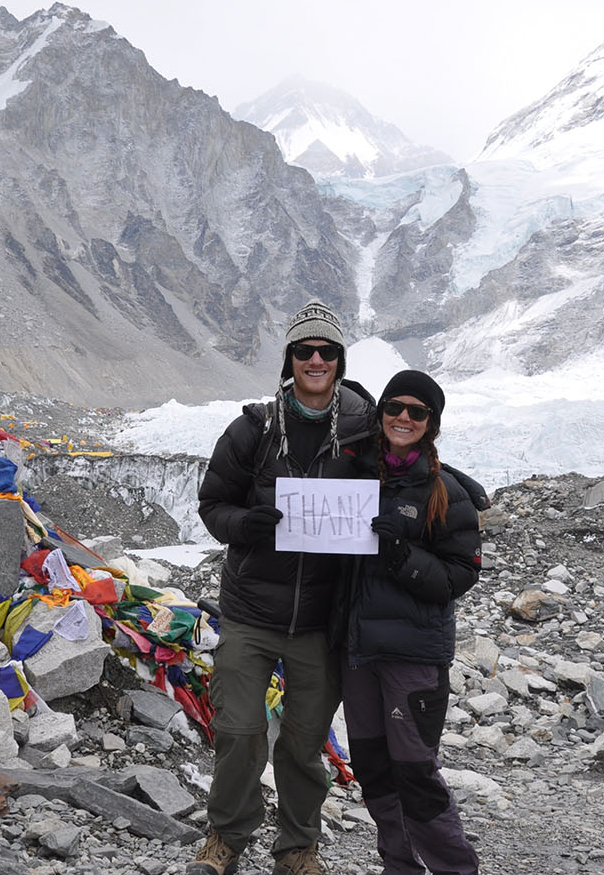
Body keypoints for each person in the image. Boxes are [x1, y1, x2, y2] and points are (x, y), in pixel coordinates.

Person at [191, 299, 377, 875]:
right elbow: (213, 504)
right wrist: (244, 525)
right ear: (289, 359)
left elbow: (408, 467)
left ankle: (297, 848)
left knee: (303, 742)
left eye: (326, 351)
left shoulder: (362, 429)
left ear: (340, 360)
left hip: (320, 619)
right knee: (240, 731)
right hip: (250, 610)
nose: (315, 359)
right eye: (304, 350)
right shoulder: (253, 430)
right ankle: (225, 838)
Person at [343, 369, 482, 875]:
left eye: (417, 411)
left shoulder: (446, 492)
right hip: (359, 653)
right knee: (375, 772)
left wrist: (402, 554)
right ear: (381, 414)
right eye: (395, 407)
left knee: (416, 774)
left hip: (413, 658)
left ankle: (455, 869)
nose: (404, 417)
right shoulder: (357, 478)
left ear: (432, 423)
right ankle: (399, 867)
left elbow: (461, 573)